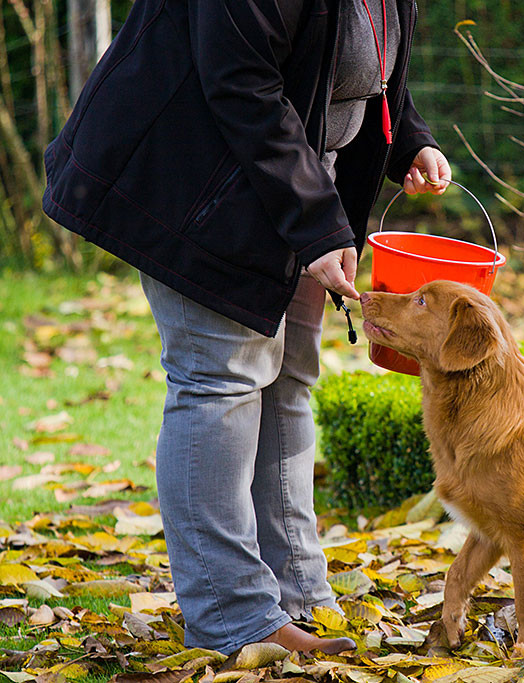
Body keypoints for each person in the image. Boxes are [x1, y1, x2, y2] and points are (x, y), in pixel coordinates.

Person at [42, 0, 450, 655]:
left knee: (288, 376)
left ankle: (295, 590)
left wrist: (408, 139)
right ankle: (233, 617)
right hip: (197, 180)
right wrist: (316, 224)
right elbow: (239, 80)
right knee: (221, 380)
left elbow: (359, 63)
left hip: (288, 182)